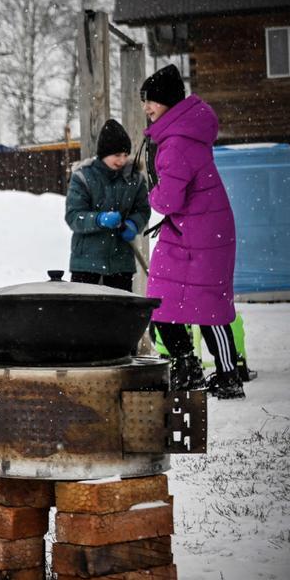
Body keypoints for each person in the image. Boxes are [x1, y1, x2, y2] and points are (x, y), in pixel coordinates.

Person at [140, 64, 245, 400]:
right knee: (179, 302)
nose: (147, 108)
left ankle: (205, 370)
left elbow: (169, 199)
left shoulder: (176, 143)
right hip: (197, 230)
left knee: (201, 303)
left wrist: (150, 194)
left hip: (198, 234)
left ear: (168, 102)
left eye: (151, 101)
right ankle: (204, 370)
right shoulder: (183, 133)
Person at [65, 119, 151, 292]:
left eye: (125, 155)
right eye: (117, 155)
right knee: (84, 313)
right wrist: (99, 219)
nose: (122, 160)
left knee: (119, 314)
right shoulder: (83, 178)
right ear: (104, 154)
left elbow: (142, 209)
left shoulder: (134, 179)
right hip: (86, 263)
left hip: (121, 263)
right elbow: (74, 216)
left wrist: (134, 224)